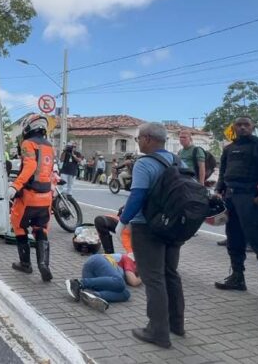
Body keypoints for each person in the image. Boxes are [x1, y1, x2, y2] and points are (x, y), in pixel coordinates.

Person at [117, 122, 185, 349]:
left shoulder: (144, 163)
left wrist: (123, 222)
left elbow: (137, 196)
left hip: (147, 227)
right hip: (173, 227)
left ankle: (158, 332)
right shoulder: (177, 161)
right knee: (171, 274)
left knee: (153, 278)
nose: (138, 143)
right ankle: (176, 324)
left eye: (138, 139)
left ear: (147, 138)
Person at [214, 116, 258, 308]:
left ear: (253, 127)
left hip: (250, 198)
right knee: (234, 239)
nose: (242, 127)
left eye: (246, 125)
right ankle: (237, 278)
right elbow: (223, 172)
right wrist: (218, 190)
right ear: (234, 127)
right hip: (231, 198)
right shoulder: (229, 148)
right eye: (239, 125)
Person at [7, 114, 55, 282]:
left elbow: (30, 166)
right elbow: (48, 171)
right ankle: (43, 264)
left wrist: (15, 186)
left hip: (29, 196)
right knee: (41, 229)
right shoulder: (50, 146)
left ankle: (25, 264)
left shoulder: (28, 144)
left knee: (18, 225)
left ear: (29, 127)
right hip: (46, 197)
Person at [65, 253, 141, 312]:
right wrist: (144, 277)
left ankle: (94, 296)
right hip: (96, 261)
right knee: (120, 282)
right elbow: (133, 281)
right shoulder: (129, 259)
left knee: (125, 294)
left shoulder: (129, 269)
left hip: (94, 276)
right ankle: (78, 283)